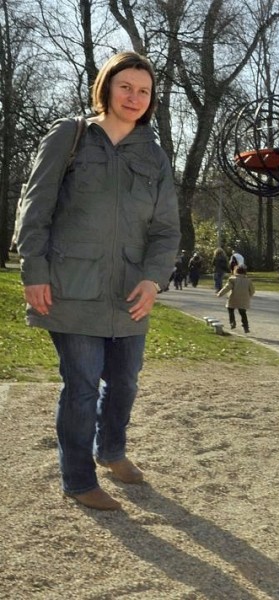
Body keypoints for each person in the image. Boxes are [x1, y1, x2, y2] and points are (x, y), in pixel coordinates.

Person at [16, 51, 180, 511]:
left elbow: (167, 229)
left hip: (130, 293)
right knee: (83, 384)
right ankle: (78, 479)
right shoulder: (70, 136)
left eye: (143, 91)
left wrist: (153, 280)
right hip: (71, 286)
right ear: (106, 87)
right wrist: (35, 270)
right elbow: (35, 207)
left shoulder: (153, 155)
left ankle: (111, 452)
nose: (134, 97)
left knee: (125, 381)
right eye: (125, 86)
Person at [217, 265, 255, 333]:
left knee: (230, 309)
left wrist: (220, 294)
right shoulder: (248, 281)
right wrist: (249, 295)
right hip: (244, 299)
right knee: (243, 313)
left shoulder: (232, 279)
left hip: (233, 297)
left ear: (236, 271)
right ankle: (246, 327)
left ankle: (232, 322)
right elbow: (252, 290)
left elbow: (227, 288)